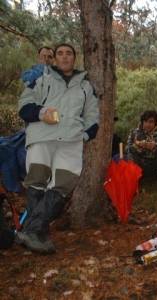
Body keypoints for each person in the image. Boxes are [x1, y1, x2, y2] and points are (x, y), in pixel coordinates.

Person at [17, 43, 99, 254]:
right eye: (59, 54)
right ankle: (37, 234)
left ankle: (30, 230)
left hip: (71, 141)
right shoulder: (40, 78)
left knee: (64, 184)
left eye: (68, 53)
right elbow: (24, 106)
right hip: (41, 136)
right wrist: (42, 112)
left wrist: (84, 135)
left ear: (74, 58)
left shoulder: (85, 86)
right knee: (37, 182)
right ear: (54, 59)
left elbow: (93, 118)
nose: (64, 57)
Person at [126, 110, 157, 178]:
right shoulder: (134, 132)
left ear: (155, 123)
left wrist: (156, 146)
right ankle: (133, 178)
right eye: (145, 121)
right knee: (130, 151)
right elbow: (127, 148)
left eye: (151, 122)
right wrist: (138, 147)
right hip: (141, 164)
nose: (147, 124)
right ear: (142, 122)